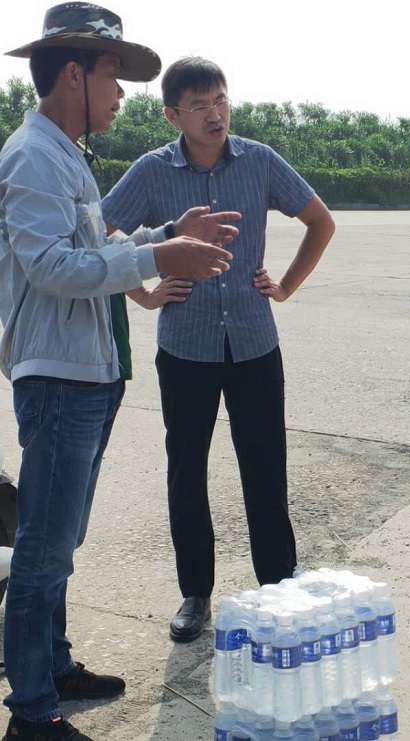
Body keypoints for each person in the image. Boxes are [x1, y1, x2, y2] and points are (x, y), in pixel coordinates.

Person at [0, 5, 241, 740]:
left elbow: (94, 246)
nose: (121, 94)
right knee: (44, 545)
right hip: (58, 375)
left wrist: (165, 233)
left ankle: (54, 665)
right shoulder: (32, 156)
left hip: (88, 369)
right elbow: (52, 267)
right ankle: (32, 707)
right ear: (73, 74)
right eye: (113, 75)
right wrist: (159, 256)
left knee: (60, 538)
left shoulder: (66, 154)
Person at [102, 56, 336, 644]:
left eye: (222, 100)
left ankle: (277, 586)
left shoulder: (258, 160)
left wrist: (286, 285)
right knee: (187, 470)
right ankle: (195, 593)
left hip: (254, 343)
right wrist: (144, 294)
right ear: (173, 115)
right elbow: (100, 236)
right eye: (201, 105)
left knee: (265, 466)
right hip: (186, 347)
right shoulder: (153, 172)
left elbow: (320, 222)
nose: (216, 114)